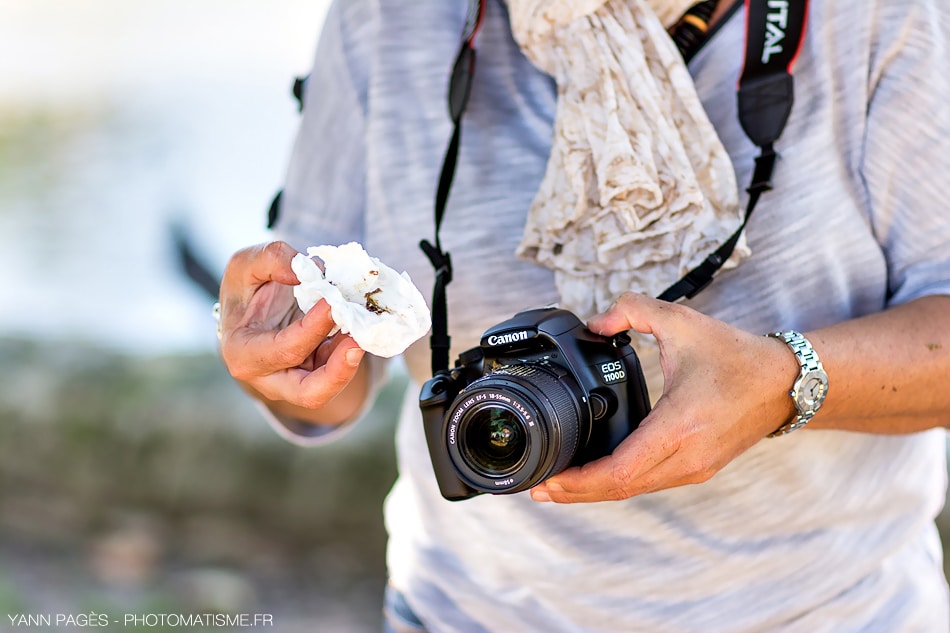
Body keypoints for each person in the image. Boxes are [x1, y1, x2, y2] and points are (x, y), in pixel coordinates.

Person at [217, 0, 950, 630]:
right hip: (460, 608)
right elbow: (331, 380)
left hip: (830, 613)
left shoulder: (874, 16)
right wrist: (277, 359)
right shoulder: (393, 17)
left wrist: (783, 381)